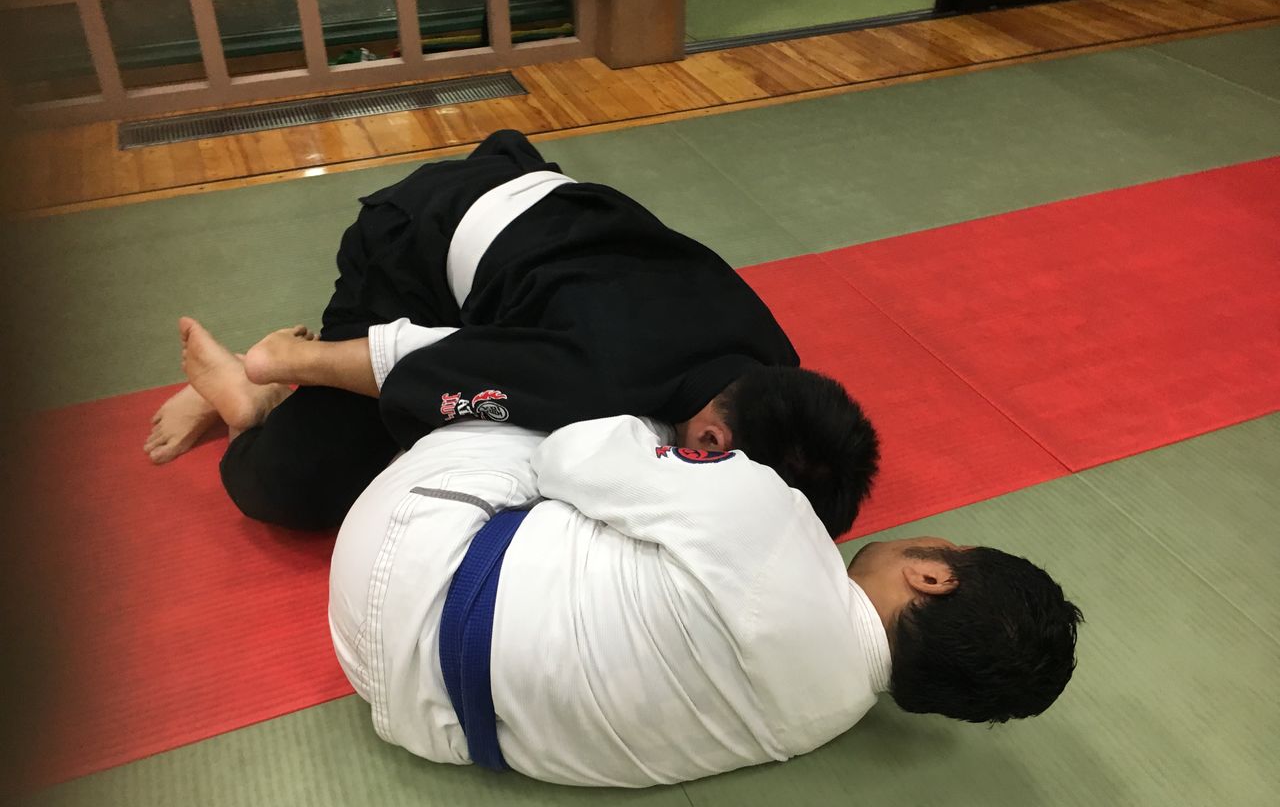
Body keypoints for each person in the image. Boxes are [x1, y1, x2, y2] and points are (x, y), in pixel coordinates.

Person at [145, 130, 880, 537]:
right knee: (300, 485)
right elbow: (427, 361)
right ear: (712, 442)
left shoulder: (775, 365)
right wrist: (289, 361)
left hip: (543, 205)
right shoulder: (601, 380)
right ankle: (250, 395)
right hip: (414, 243)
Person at [326, 407, 1083, 787]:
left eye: (952, 546)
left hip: (404, 561)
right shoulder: (822, 722)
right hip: (420, 714)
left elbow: (569, 456)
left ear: (935, 575)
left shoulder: (779, 524)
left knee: (557, 411)